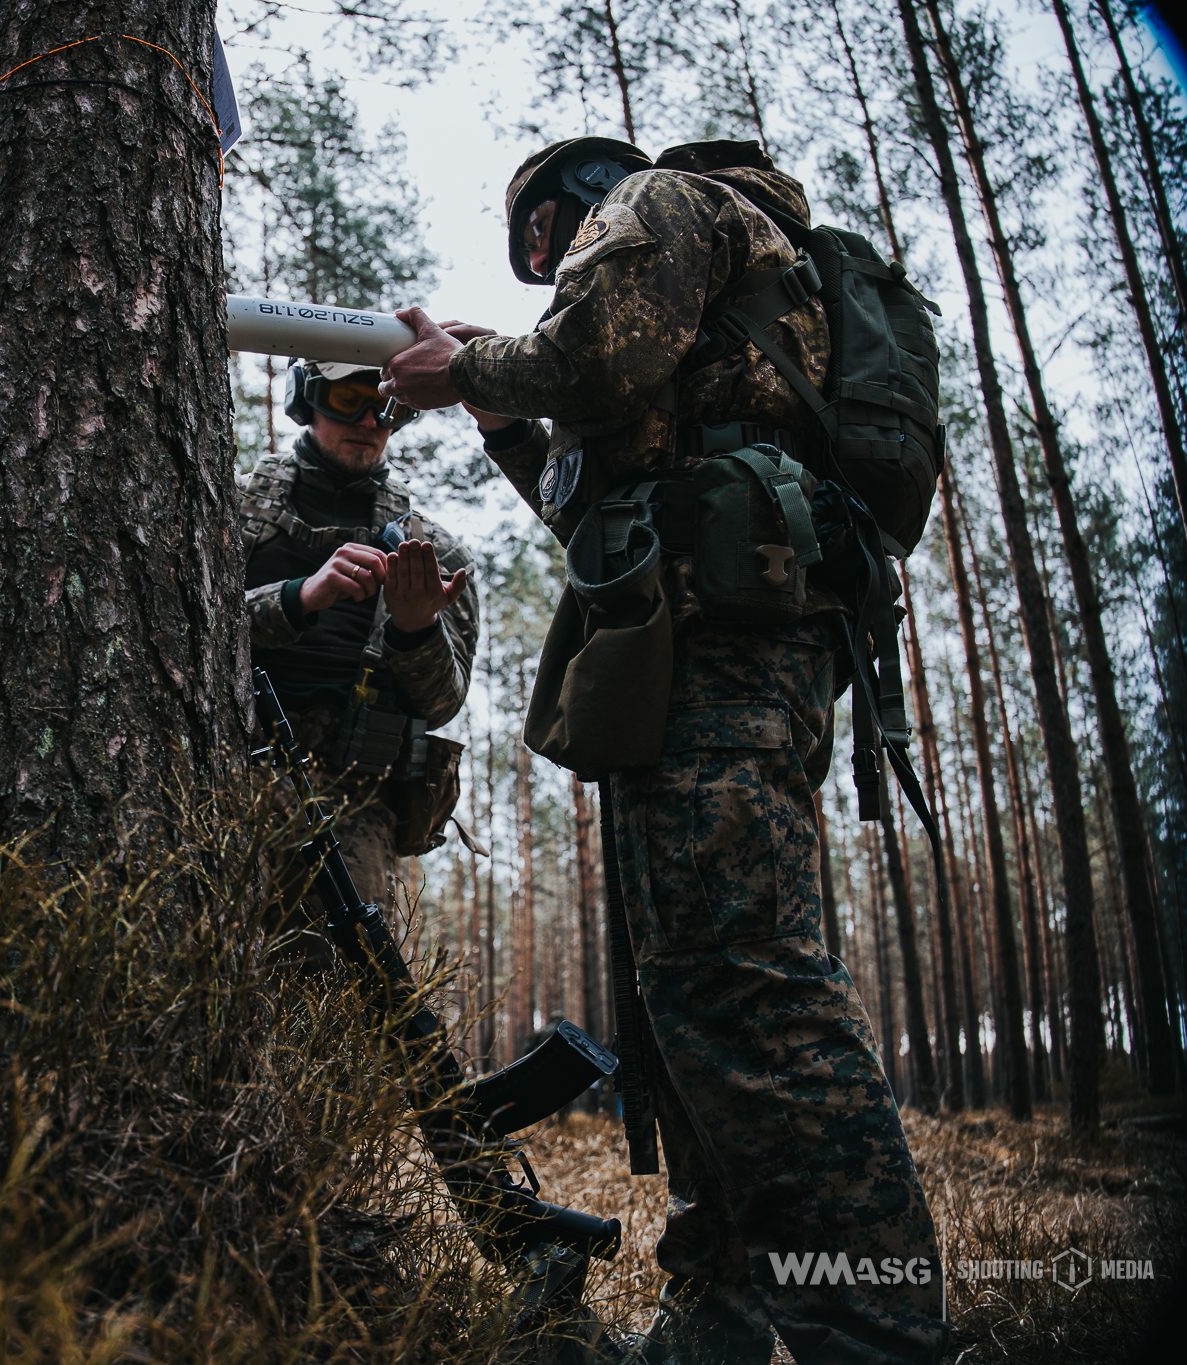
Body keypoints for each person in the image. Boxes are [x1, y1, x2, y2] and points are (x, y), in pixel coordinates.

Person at [378, 139, 950, 1365]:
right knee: (691, 1001)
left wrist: (465, 365)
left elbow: (596, 352)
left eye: (545, 235)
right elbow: (598, 492)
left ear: (587, 189)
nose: (545, 265)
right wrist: (500, 413)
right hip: (707, 644)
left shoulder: (668, 201)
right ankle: (716, 1318)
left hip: (718, 653)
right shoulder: (729, 315)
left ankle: (880, 1334)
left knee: (742, 989)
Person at [242, 359, 476, 962]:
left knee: (345, 999)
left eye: (391, 407)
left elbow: (443, 702)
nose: (372, 421)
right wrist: (299, 597)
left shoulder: (433, 550)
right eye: (350, 399)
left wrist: (415, 627)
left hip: (353, 803)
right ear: (307, 400)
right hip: (226, 776)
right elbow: (173, 632)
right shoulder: (232, 512)